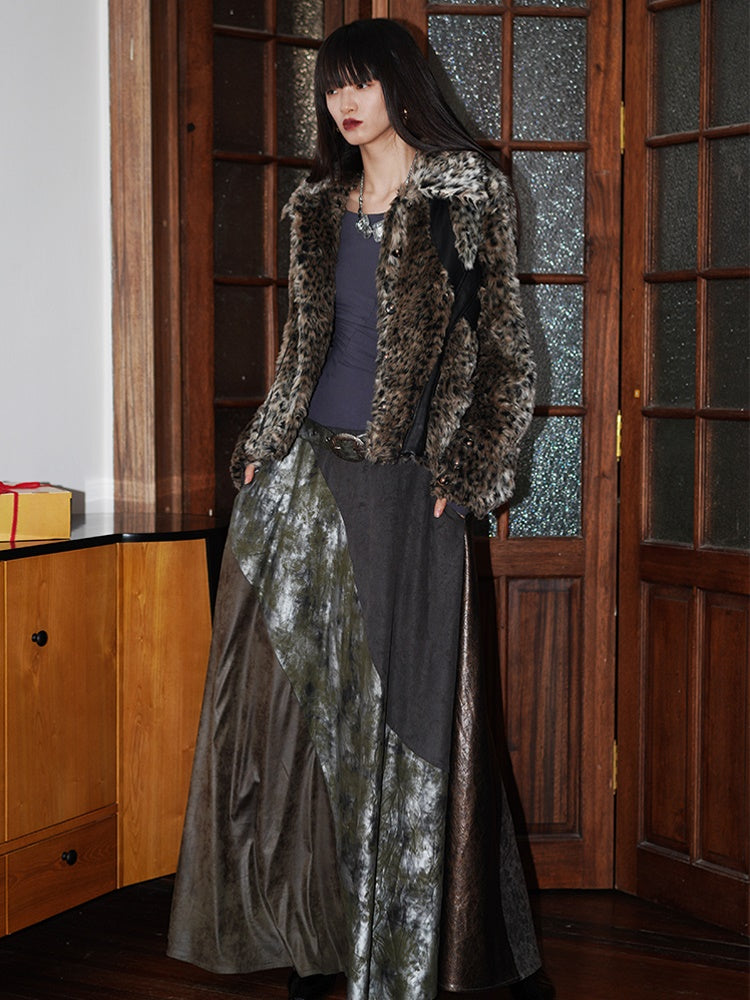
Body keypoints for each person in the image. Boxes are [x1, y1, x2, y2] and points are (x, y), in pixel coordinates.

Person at [168, 18, 552, 1000]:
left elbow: (506, 353)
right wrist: (264, 445)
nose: (344, 102)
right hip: (308, 478)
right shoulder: (314, 207)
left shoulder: (468, 194)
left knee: (409, 717)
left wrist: (470, 469)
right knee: (295, 712)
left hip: (409, 490)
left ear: (401, 86)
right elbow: (303, 349)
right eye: (332, 86)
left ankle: (422, 941)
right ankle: (319, 933)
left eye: (362, 82)